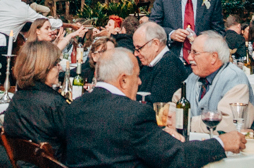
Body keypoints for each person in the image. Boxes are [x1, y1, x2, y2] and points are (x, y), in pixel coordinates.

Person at [64, 49, 244, 168]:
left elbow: (117, 138)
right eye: (137, 76)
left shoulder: (76, 106)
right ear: (124, 80)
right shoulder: (134, 114)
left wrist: (158, 134)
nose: (140, 81)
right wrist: (221, 143)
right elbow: (177, 157)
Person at [179, 31, 254, 133]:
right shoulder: (193, 77)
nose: (189, 58)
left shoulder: (235, 78)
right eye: (190, 52)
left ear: (213, 57)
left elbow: (229, 124)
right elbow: (174, 105)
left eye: (195, 53)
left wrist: (185, 122)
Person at [3, 41, 67, 159]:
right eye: (56, 64)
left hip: (23, 163)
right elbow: (72, 139)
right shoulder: (53, 103)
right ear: (44, 67)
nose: (60, 68)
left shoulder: (18, 97)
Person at [134, 21, 190, 103]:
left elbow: (157, 106)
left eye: (139, 48)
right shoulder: (150, 63)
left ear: (155, 44)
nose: (136, 53)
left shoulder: (170, 66)